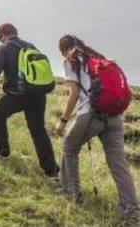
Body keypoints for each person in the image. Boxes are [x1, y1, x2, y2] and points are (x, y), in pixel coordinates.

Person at [55, 35, 139, 222]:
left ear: (63, 49)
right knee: (118, 163)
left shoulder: (71, 58)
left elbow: (74, 93)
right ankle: (131, 211)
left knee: (69, 146)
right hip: (115, 115)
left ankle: (71, 194)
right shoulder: (97, 57)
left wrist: (63, 120)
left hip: (91, 114)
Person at [0, 23, 59, 178]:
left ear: (4, 35)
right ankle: (51, 170)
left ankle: (1, 152)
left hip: (17, 95)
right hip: (38, 94)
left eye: (0, 38)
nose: (0, 41)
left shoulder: (3, 49)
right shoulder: (31, 46)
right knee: (38, 130)